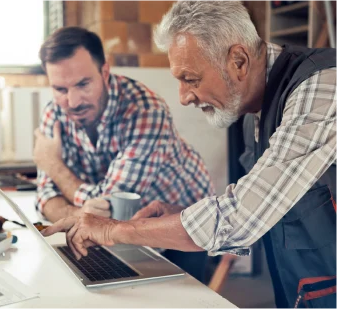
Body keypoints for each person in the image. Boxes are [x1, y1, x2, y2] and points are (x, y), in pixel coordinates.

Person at [41, 1, 337, 308]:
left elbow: (240, 218)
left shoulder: (321, 89)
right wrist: (179, 213)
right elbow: (268, 208)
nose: (182, 98)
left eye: (191, 79)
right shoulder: (254, 107)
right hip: (302, 289)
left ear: (238, 61)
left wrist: (114, 229)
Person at [33, 26, 214, 282]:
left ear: (104, 72)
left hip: (179, 221)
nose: (73, 102)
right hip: (119, 233)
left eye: (83, 84)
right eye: (60, 89)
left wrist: (53, 164)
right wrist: (80, 214)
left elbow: (111, 209)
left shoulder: (145, 111)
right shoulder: (55, 113)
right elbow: (46, 197)